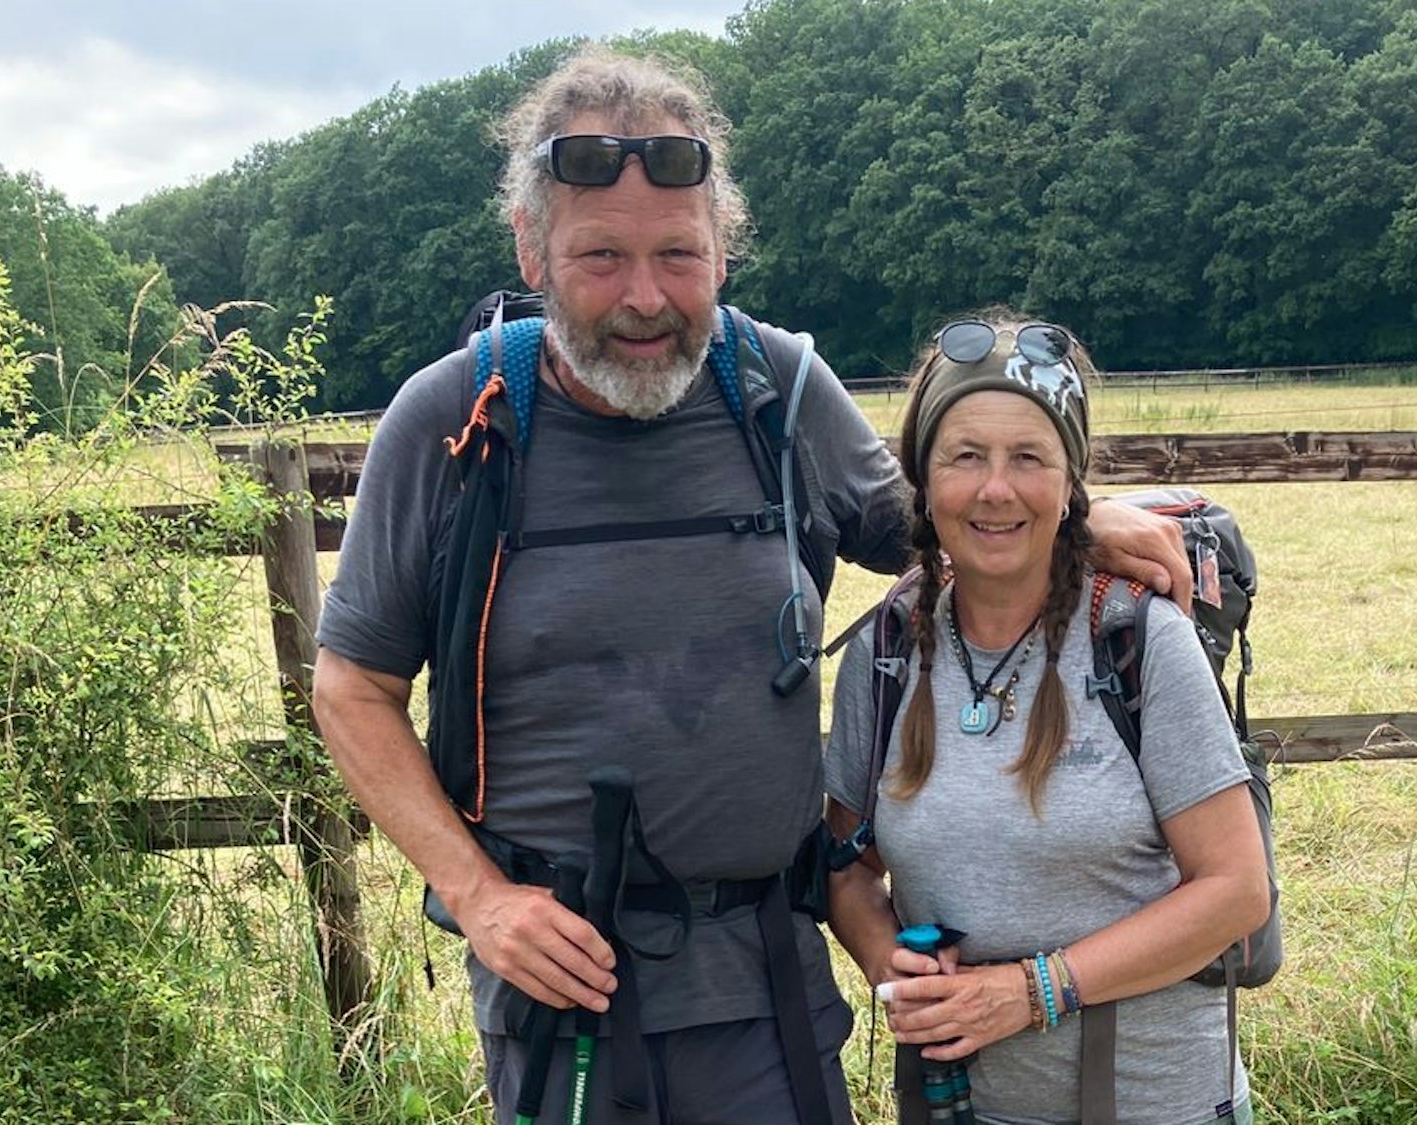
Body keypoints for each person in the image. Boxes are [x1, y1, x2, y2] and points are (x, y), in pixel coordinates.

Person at [312, 47, 1192, 1125]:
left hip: (766, 982)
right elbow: (350, 688)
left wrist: (1075, 516)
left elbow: (921, 528)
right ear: (530, 251)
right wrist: (478, 898)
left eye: (678, 255)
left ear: (723, 250)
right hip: (561, 991)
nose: (644, 298)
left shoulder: (773, 386)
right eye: (601, 257)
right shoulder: (456, 419)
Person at [825, 316, 1271, 1124]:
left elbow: (1238, 890)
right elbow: (845, 865)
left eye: (1029, 457)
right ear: (922, 481)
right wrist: (887, 962)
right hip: (960, 1106)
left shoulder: (1136, 639)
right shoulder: (888, 650)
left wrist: (1030, 992)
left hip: (1158, 1103)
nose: (997, 489)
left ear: (1071, 485)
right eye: (965, 456)